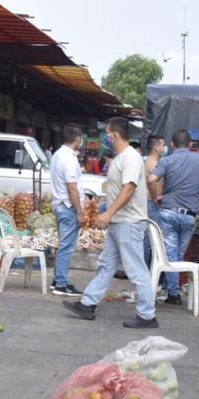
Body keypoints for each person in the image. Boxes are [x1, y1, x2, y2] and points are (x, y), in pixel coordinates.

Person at [62, 116, 156, 328]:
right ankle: (88, 304)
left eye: (107, 133)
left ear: (114, 134)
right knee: (106, 265)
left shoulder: (130, 157)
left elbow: (129, 188)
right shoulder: (121, 158)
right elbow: (119, 189)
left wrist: (107, 213)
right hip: (118, 222)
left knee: (136, 269)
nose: (105, 137)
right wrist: (106, 209)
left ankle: (147, 315)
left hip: (129, 222)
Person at [148, 131, 199, 305]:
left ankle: (174, 295)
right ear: (190, 144)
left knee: (170, 256)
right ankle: (173, 293)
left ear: (173, 145)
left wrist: (156, 197)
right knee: (178, 255)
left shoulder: (167, 160)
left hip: (168, 212)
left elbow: (152, 178)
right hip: (189, 216)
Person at [49, 123, 86, 297]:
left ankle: (58, 279)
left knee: (64, 245)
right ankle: (61, 285)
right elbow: (72, 187)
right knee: (67, 246)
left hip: (60, 205)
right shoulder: (69, 159)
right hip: (68, 207)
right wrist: (80, 212)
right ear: (77, 139)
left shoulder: (57, 155)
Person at [142, 135, 167, 270]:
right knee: (151, 239)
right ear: (156, 148)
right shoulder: (153, 163)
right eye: (163, 145)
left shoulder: (157, 161)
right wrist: (156, 198)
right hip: (152, 204)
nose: (165, 148)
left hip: (152, 204)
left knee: (151, 238)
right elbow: (153, 183)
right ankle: (147, 271)